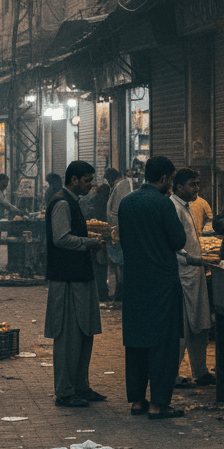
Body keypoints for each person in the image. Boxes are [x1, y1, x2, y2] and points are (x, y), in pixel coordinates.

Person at [118, 155, 187, 419]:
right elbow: (178, 240)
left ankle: (137, 401)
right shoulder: (163, 204)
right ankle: (159, 403)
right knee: (163, 344)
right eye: (170, 179)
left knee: (136, 342)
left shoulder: (127, 203)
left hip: (134, 282)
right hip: (161, 284)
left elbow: (124, 240)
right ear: (165, 179)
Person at [45, 161, 106, 407]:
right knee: (68, 336)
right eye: (88, 180)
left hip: (80, 276)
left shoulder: (73, 201)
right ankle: (65, 390)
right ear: (74, 180)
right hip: (67, 279)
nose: (91, 185)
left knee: (84, 332)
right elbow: (61, 238)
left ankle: (81, 385)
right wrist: (87, 242)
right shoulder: (62, 202)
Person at [170, 168, 214, 386]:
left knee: (200, 324)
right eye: (192, 184)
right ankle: (171, 374)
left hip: (195, 275)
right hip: (184, 275)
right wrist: (195, 260)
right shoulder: (173, 207)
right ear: (178, 187)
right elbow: (173, 248)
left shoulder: (188, 206)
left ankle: (200, 371)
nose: (197, 188)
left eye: (198, 184)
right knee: (183, 327)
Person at [78, 171, 112, 302]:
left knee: (95, 267)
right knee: (100, 268)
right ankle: (101, 294)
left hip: (90, 238)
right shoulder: (104, 203)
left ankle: (95, 293)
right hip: (100, 240)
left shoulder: (89, 200)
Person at [106, 166, 135, 301]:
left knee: (122, 264)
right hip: (117, 232)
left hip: (121, 233)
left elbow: (119, 212)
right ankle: (119, 290)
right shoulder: (119, 186)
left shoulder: (121, 187)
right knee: (118, 264)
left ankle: (122, 291)